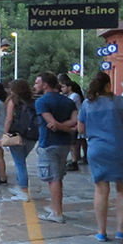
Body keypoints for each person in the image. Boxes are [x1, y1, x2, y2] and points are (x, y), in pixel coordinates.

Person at [77, 72, 123, 242]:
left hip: (97, 150)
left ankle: (101, 231)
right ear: (108, 85)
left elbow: (80, 129)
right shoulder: (120, 101)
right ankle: (120, 230)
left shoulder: (87, 104)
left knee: (101, 190)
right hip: (120, 149)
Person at [34, 72, 78, 223]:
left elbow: (51, 122)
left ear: (45, 84)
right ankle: (55, 206)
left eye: (37, 83)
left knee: (53, 179)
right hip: (65, 144)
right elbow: (75, 121)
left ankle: (57, 213)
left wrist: (58, 126)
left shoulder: (41, 102)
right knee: (58, 177)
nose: (35, 86)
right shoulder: (68, 101)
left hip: (48, 143)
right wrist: (68, 129)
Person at [3, 78, 36, 202]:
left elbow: (9, 119)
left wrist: (5, 133)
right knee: (21, 162)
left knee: (20, 164)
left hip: (16, 136)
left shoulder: (13, 101)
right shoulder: (33, 101)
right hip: (32, 136)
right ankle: (20, 187)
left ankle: (23, 191)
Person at [58, 73, 84, 171]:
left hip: (75, 120)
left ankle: (74, 161)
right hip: (72, 120)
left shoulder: (74, 96)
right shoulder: (69, 96)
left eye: (64, 87)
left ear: (69, 87)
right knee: (72, 142)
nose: (62, 89)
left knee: (73, 143)